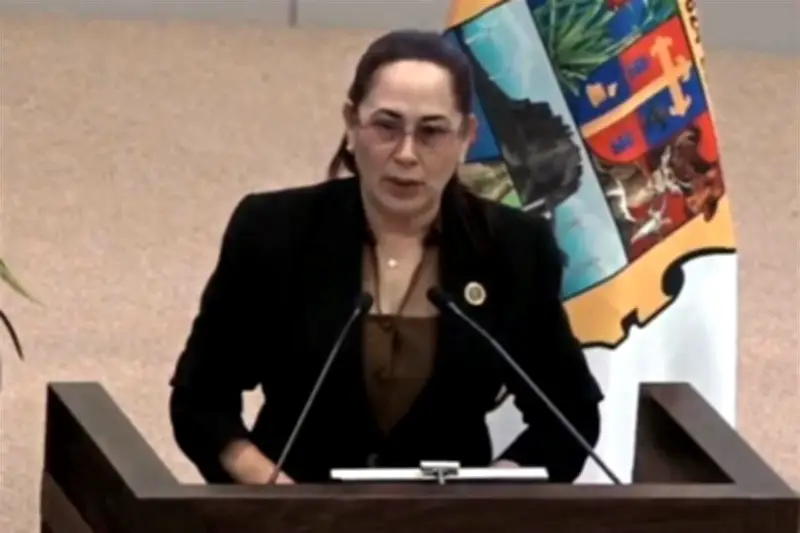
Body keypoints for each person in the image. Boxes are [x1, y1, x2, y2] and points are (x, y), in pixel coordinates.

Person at [168, 29, 603, 486]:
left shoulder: (514, 248)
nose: (406, 154)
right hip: (294, 513)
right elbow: (201, 399)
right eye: (386, 127)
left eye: (432, 132)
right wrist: (270, 489)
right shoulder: (273, 231)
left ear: (466, 137)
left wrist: (490, 494)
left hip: (449, 518)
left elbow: (569, 415)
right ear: (351, 125)